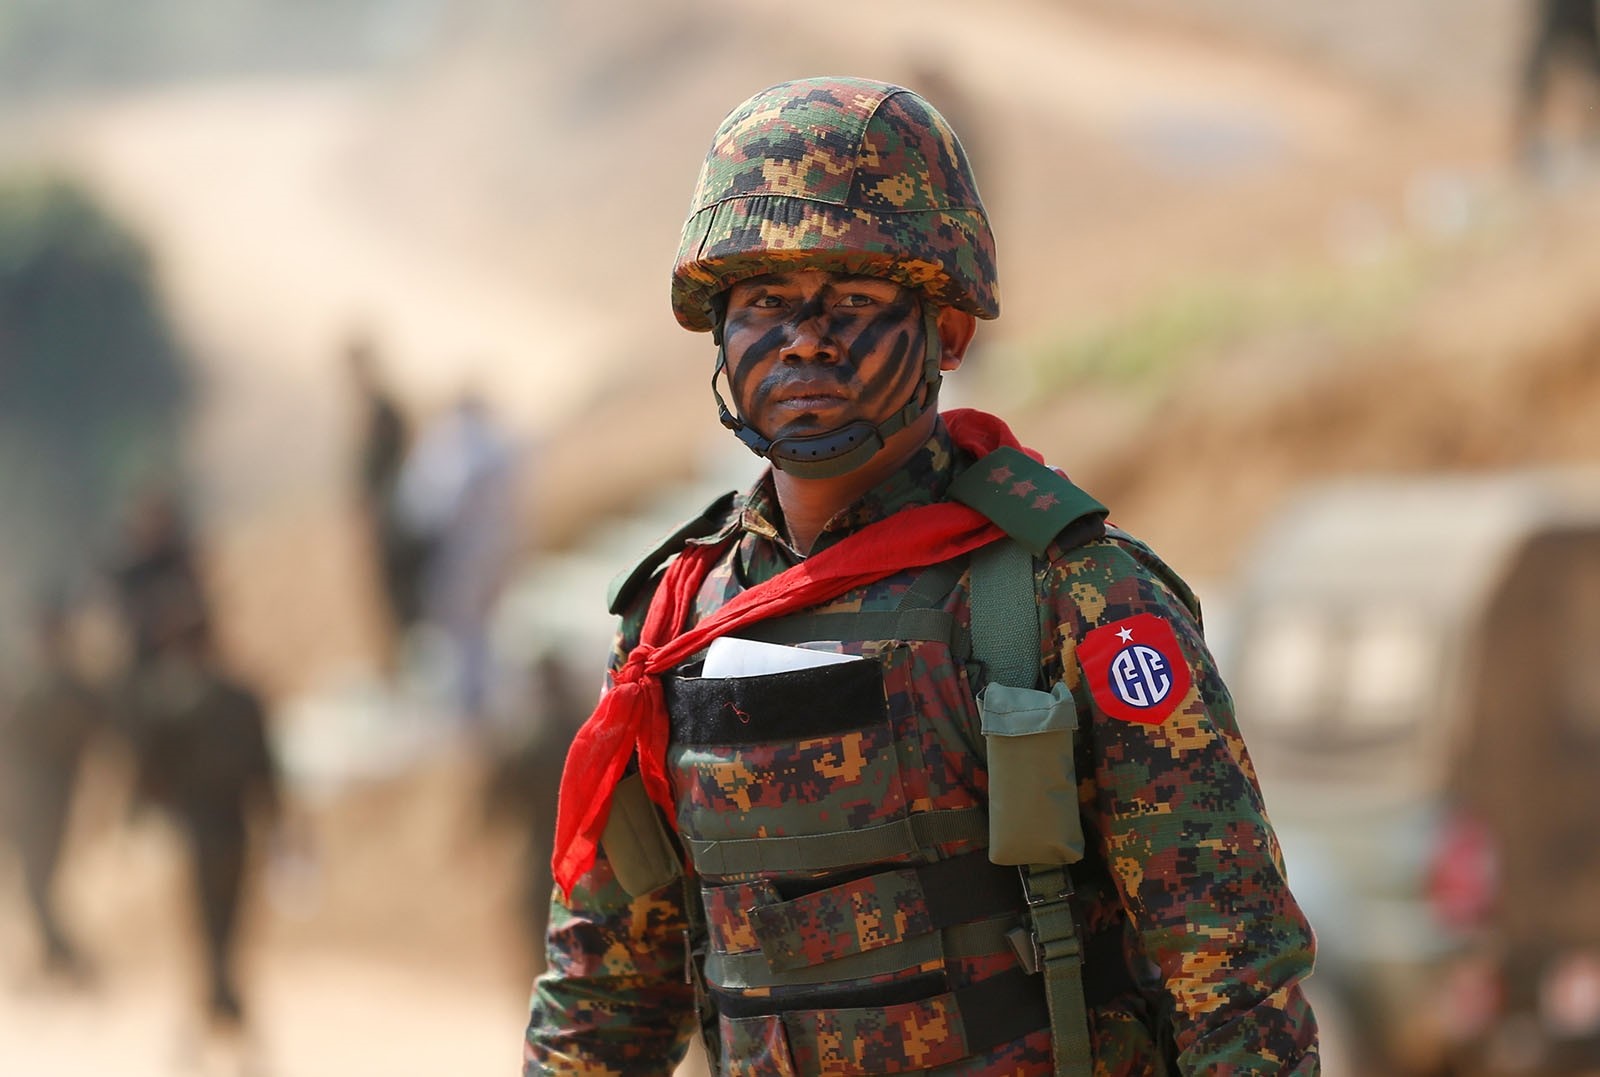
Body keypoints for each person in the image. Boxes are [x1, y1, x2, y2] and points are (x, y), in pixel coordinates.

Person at [524, 77, 1319, 1075]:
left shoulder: (1072, 605)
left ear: (947, 331)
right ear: (717, 330)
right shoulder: (673, 624)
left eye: (852, 301)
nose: (805, 338)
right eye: (763, 301)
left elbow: (1236, 992)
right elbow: (603, 996)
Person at [395, 390, 519, 722]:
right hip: (492, 553)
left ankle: (473, 711)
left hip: (462, 559)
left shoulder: (450, 449)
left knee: (465, 636)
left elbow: (423, 507)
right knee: (481, 633)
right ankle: (482, 706)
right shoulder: (496, 444)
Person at [0, 592, 105, 980]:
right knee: (34, 884)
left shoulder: (53, 688)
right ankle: (53, 956)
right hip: (35, 797)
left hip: (39, 799)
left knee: (36, 884)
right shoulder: (65, 687)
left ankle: (62, 957)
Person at [345, 332, 424, 665]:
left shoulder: (385, 413)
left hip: (395, 527)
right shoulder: (369, 413)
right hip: (383, 527)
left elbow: (397, 472)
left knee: (407, 611)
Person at [1514, 0, 1600, 170]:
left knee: (1594, 79)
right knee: (1538, 75)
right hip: (1557, 15)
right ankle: (1529, 143)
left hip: (1582, 16)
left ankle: (1591, 142)